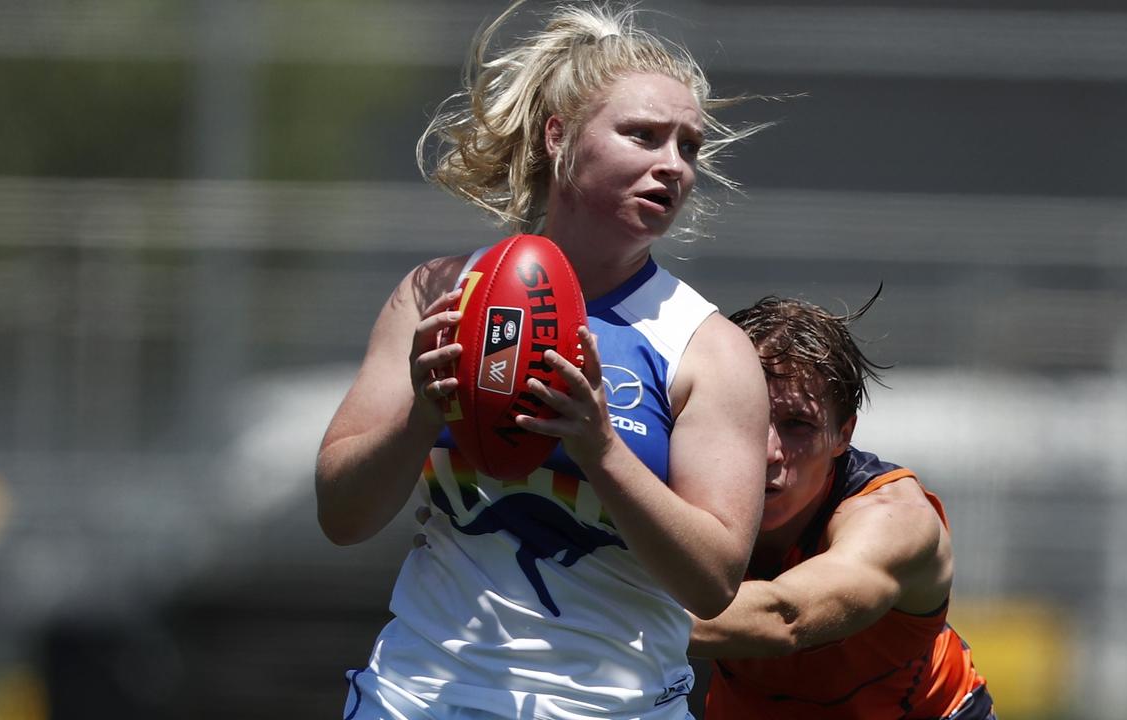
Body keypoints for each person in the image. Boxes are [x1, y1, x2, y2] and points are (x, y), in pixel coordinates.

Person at [314, 2, 771, 718]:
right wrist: (421, 412)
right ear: (559, 137)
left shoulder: (706, 347)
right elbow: (342, 515)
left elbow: (712, 581)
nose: (672, 166)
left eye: (688, 147)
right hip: (418, 698)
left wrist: (600, 448)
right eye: (643, 136)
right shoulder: (439, 295)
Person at [688, 294, 994, 719]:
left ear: (842, 435)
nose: (769, 451)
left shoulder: (894, 518)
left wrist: (618, 616)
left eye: (798, 424)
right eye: (750, 413)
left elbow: (785, 616)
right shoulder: (681, 481)